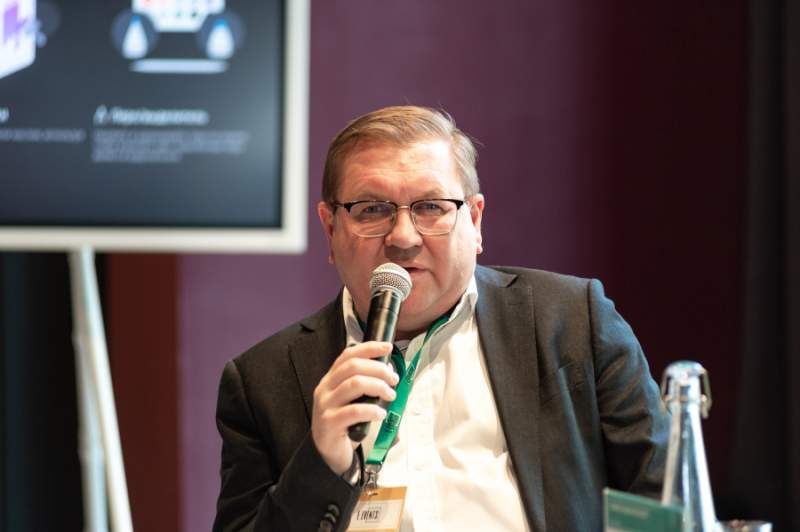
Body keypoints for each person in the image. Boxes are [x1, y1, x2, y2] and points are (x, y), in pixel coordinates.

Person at [213, 106, 669, 532]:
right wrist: (318, 464)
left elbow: (664, 501)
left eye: (431, 207)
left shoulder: (571, 320)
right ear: (330, 229)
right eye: (372, 209)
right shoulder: (261, 381)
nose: (403, 237)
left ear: (475, 220)